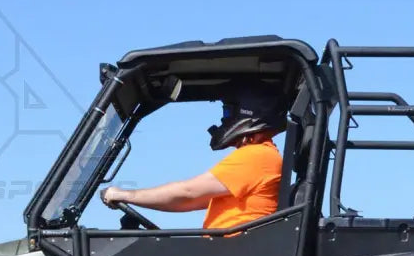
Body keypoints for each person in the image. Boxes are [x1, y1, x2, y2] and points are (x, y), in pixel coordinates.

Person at [100, 87, 286, 229]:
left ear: (248, 114)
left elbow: (187, 193)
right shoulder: (263, 157)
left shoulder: (257, 155)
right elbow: (189, 201)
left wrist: (125, 195)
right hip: (227, 253)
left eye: (227, 112)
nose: (223, 120)